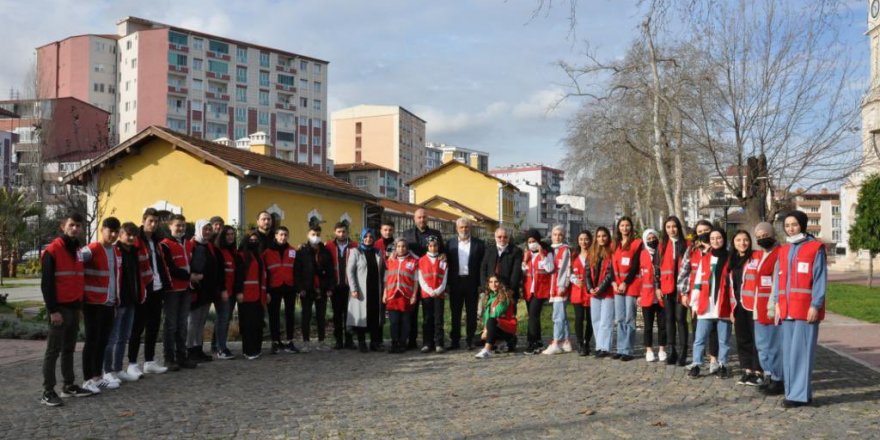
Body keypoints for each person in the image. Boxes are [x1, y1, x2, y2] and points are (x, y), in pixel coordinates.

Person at [770, 210, 827, 408]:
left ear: (802, 225)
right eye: (787, 225)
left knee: (801, 353)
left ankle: (797, 396)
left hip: (805, 309)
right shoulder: (784, 250)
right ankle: (799, 393)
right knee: (789, 354)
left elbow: (819, 278)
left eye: (794, 224)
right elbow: (779, 277)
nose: (790, 228)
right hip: (786, 309)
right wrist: (777, 300)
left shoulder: (815, 248)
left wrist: (815, 305)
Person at [40, 212, 94, 406]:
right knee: (53, 350)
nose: (75, 228)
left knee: (69, 349)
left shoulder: (78, 249)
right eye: (71, 225)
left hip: (73, 306)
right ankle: (48, 391)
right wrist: (53, 310)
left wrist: (79, 306)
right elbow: (46, 284)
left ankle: (69, 385)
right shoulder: (52, 251)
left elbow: (77, 278)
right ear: (63, 226)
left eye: (78, 225)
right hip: (59, 309)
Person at [103, 222, 149, 385]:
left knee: (124, 337)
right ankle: (107, 371)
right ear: (121, 234)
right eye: (127, 234)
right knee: (112, 337)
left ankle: (118, 369)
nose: (131, 238)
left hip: (132, 300)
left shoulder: (135, 252)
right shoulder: (115, 251)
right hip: (118, 300)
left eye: (133, 235)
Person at [80, 217, 122, 394]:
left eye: (115, 232)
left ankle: (97, 376)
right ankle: (87, 379)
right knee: (92, 340)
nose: (113, 235)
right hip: (92, 302)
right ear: (102, 230)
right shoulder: (92, 249)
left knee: (102, 341)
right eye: (110, 231)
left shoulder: (114, 251)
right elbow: (75, 260)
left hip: (109, 302)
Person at [127, 208, 171, 377]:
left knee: (153, 326)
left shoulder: (157, 241)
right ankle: (132, 363)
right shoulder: (136, 240)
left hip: (157, 287)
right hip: (143, 289)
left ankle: (149, 361)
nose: (153, 225)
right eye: (150, 221)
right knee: (137, 328)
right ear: (143, 220)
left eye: (156, 221)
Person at [688, 228, 735, 379]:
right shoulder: (705, 259)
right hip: (705, 306)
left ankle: (722, 365)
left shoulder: (731, 259)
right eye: (713, 238)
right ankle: (696, 364)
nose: (715, 241)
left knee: (724, 340)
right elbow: (697, 283)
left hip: (723, 305)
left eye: (719, 238)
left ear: (724, 239)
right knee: (700, 338)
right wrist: (694, 304)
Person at [676, 219, 719, 369]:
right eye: (700, 232)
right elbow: (683, 273)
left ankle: (714, 359)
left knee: (713, 328)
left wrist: (710, 249)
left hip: (714, 295)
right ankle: (697, 359)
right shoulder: (692, 250)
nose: (703, 234)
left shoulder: (717, 248)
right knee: (696, 327)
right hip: (696, 295)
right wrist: (683, 293)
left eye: (706, 231)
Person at [402, 208, 445, 350]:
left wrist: (444, 255)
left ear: (428, 218)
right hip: (413, 278)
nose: (422, 219)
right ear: (415, 219)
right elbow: (400, 249)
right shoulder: (407, 234)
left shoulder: (436, 234)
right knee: (413, 312)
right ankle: (412, 340)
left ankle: (434, 341)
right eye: (419, 217)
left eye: (424, 217)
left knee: (433, 314)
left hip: (431, 280)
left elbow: (442, 251)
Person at [749, 222, 784, 395]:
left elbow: (777, 283)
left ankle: (778, 379)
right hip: (759, 307)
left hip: (771, 307)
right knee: (762, 346)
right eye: (759, 237)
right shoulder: (761, 255)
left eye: (765, 235)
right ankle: (768, 375)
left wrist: (773, 305)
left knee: (773, 346)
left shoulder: (779, 254)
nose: (762, 239)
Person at [160, 214, 197, 371]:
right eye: (177, 225)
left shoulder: (188, 243)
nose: (181, 228)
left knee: (182, 325)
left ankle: (182, 356)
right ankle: (169, 358)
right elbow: (170, 268)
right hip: (172, 290)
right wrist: (189, 276)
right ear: (170, 226)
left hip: (186, 289)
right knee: (171, 325)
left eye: (183, 225)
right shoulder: (165, 245)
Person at [479, 227, 523, 352]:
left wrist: (510, 290)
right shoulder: (490, 250)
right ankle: (494, 340)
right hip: (491, 290)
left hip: (508, 292)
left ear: (509, 238)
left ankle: (509, 339)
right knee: (490, 317)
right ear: (495, 237)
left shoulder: (516, 251)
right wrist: (484, 287)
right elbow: (483, 268)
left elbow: (516, 273)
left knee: (506, 317)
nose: (502, 239)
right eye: (499, 237)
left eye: (505, 237)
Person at [728, 229, 763, 386]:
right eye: (738, 240)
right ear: (734, 243)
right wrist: (731, 309)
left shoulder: (757, 256)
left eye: (745, 240)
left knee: (757, 340)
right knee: (742, 339)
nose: (742, 243)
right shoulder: (732, 260)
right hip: (738, 305)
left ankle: (758, 371)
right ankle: (747, 370)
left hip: (753, 305)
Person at [446, 217, 486, 350]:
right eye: (461, 227)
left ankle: (470, 340)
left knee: (472, 313)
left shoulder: (479, 244)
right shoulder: (450, 243)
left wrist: (482, 284)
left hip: (472, 282)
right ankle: (455, 341)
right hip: (455, 282)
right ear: (457, 229)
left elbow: (482, 265)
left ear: (470, 228)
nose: (464, 229)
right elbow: (446, 264)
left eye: (466, 227)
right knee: (455, 313)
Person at [295, 225, 335, 351]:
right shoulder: (302, 252)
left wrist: (330, 288)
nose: (315, 237)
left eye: (318, 234)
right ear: (308, 235)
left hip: (322, 289)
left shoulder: (325, 252)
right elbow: (297, 272)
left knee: (321, 317)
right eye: (313, 234)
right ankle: (306, 342)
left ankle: (321, 341)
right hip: (307, 289)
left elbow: (330, 272)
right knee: (305, 316)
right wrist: (300, 288)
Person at [657, 216, 690, 366]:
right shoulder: (662, 245)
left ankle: (683, 352)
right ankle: (672, 351)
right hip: (667, 287)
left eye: (674, 226)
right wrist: (657, 287)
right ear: (665, 229)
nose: (672, 229)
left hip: (682, 288)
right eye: (668, 227)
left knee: (680, 319)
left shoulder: (687, 244)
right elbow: (656, 269)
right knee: (669, 319)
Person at [347, 228, 385, 353]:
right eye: (366, 237)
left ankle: (374, 342)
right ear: (362, 238)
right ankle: (362, 342)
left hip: (375, 289)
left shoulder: (378, 252)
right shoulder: (356, 252)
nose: (368, 239)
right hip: (361, 290)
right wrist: (354, 289)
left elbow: (384, 269)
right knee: (361, 316)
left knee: (374, 316)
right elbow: (350, 271)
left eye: (371, 237)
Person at [187, 220, 219, 363]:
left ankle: (198, 348)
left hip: (208, 289)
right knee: (192, 321)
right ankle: (189, 349)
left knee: (201, 321)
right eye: (205, 229)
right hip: (195, 288)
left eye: (209, 229)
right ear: (198, 229)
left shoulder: (210, 246)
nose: (207, 232)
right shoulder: (191, 245)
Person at [264, 226, 299, 354]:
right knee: (274, 315)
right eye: (281, 235)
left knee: (290, 314)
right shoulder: (267, 252)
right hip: (274, 286)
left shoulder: (293, 251)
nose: (283, 237)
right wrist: (266, 289)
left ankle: (289, 341)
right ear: (276, 236)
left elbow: (297, 270)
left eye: (285, 235)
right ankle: (275, 342)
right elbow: (265, 272)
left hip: (289, 286)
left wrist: (297, 287)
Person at [611, 216, 642, 361]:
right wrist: (615, 283)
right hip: (617, 286)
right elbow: (612, 266)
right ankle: (620, 348)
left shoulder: (636, 243)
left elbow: (635, 266)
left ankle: (628, 350)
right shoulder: (615, 244)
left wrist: (625, 282)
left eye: (627, 225)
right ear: (618, 228)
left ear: (631, 227)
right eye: (622, 225)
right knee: (620, 318)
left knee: (629, 318)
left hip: (630, 285)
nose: (625, 228)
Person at [237, 231, 268, 360]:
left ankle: (256, 348)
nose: (253, 242)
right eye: (251, 240)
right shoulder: (241, 255)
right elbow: (238, 275)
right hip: (246, 294)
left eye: (256, 240)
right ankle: (248, 350)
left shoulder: (258, 256)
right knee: (247, 324)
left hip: (258, 294)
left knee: (257, 323)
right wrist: (239, 292)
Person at [384, 239, 420, 353]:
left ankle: (402, 343)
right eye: (398, 246)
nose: (401, 248)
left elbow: (416, 281)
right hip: (392, 295)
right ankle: (394, 343)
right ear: (395, 248)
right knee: (394, 322)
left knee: (405, 322)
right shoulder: (390, 261)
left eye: (403, 246)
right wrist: (385, 293)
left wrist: (414, 295)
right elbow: (386, 279)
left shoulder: (413, 261)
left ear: (407, 248)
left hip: (406, 296)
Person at [522, 228, 554, 354]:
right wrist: (524, 260)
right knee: (533, 317)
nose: (531, 243)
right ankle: (538, 340)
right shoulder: (527, 254)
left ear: (538, 241)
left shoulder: (547, 252)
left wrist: (542, 255)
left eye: (533, 241)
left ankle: (532, 342)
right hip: (528, 290)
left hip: (541, 290)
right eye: (529, 241)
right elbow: (523, 271)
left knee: (533, 316)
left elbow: (550, 268)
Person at [327, 222, 358, 349]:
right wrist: (329, 286)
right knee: (337, 315)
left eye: (344, 231)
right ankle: (338, 340)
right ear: (335, 232)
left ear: (347, 232)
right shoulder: (328, 246)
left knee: (350, 314)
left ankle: (349, 340)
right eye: (339, 232)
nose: (341, 234)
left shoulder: (354, 246)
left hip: (349, 287)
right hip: (335, 286)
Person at [543, 225, 573, 355]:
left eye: (560, 234)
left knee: (558, 316)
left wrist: (563, 286)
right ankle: (566, 341)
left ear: (564, 236)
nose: (557, 237)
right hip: (552, 286)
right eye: (555, 234)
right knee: (562, 316)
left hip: (560, 287)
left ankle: (556, 341)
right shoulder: (549, 250)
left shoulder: (565, 250)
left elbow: (567, 269)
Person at [639, 229, 666, 362]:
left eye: (653, 238)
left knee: (662, 325)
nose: (651, 241)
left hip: (661, 295)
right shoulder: (642, 254)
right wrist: (638, 295)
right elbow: (639, 277)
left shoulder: (662, 253)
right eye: (648, 239)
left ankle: (662, 349)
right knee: (648, 325)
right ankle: (649, 349)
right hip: (647, 295)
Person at [475, 276, 517, 359]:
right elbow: (486, 316)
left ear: (500, 283)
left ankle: (487, 350)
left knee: (491, 321)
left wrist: (487, 330)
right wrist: (484, 329)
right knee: (475, 340)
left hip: (506, 328)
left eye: (496, 282)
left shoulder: (505, 296)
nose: (493, 284)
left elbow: (496, 314)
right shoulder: (489, 296)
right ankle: (499, 343)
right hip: (494, 327)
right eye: (491, 282)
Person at [588, 227, 615, 358]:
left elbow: (610, 274)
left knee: (606, 321)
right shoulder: (592, 252)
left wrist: (601, 288)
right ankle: (599, 346)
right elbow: (587, 272)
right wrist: (590, 288)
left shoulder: (612, 253)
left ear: (608, 237)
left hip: (607, 292)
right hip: (594, 292)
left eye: (604, 236)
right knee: (596, 320)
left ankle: (605, 347)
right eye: (598, 236)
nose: (601, 238)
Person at [212, 225, 238, 360]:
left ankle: (218, 345)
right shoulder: (218, 251)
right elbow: (218, 274)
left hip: (232, 291)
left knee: (225, 320)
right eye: (227, 234)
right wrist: (222, 290)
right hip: (223, 291)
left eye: (232, 234)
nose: (230, 236)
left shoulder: (233, 251)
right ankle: (221, 348)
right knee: (223, 319)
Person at [418, 236, 448, 353]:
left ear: (438, 246)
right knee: (427, 319)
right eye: (430, 245)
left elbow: (445, 277)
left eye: (435, 245)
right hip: (427, 295)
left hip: (439, 294)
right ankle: (427, 343)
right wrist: (429, 291)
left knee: (438, 319)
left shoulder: (443, 260)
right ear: (427, 246)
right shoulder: (421, 260)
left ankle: (439, 343)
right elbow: (421, 278)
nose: (433, 248)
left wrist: (439, 290)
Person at [570, 230, 594, 356]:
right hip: (577, 291)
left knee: (590, 319)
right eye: (581, 239)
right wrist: (574, 280)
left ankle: (587, 342)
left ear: (590, 240)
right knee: (579, 318)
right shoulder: (573, 255)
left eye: (586, 239)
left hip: (590, 291)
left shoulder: (594, 255)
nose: (583, 242)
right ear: (578, 241)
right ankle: (579, 343)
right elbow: (569, 272)